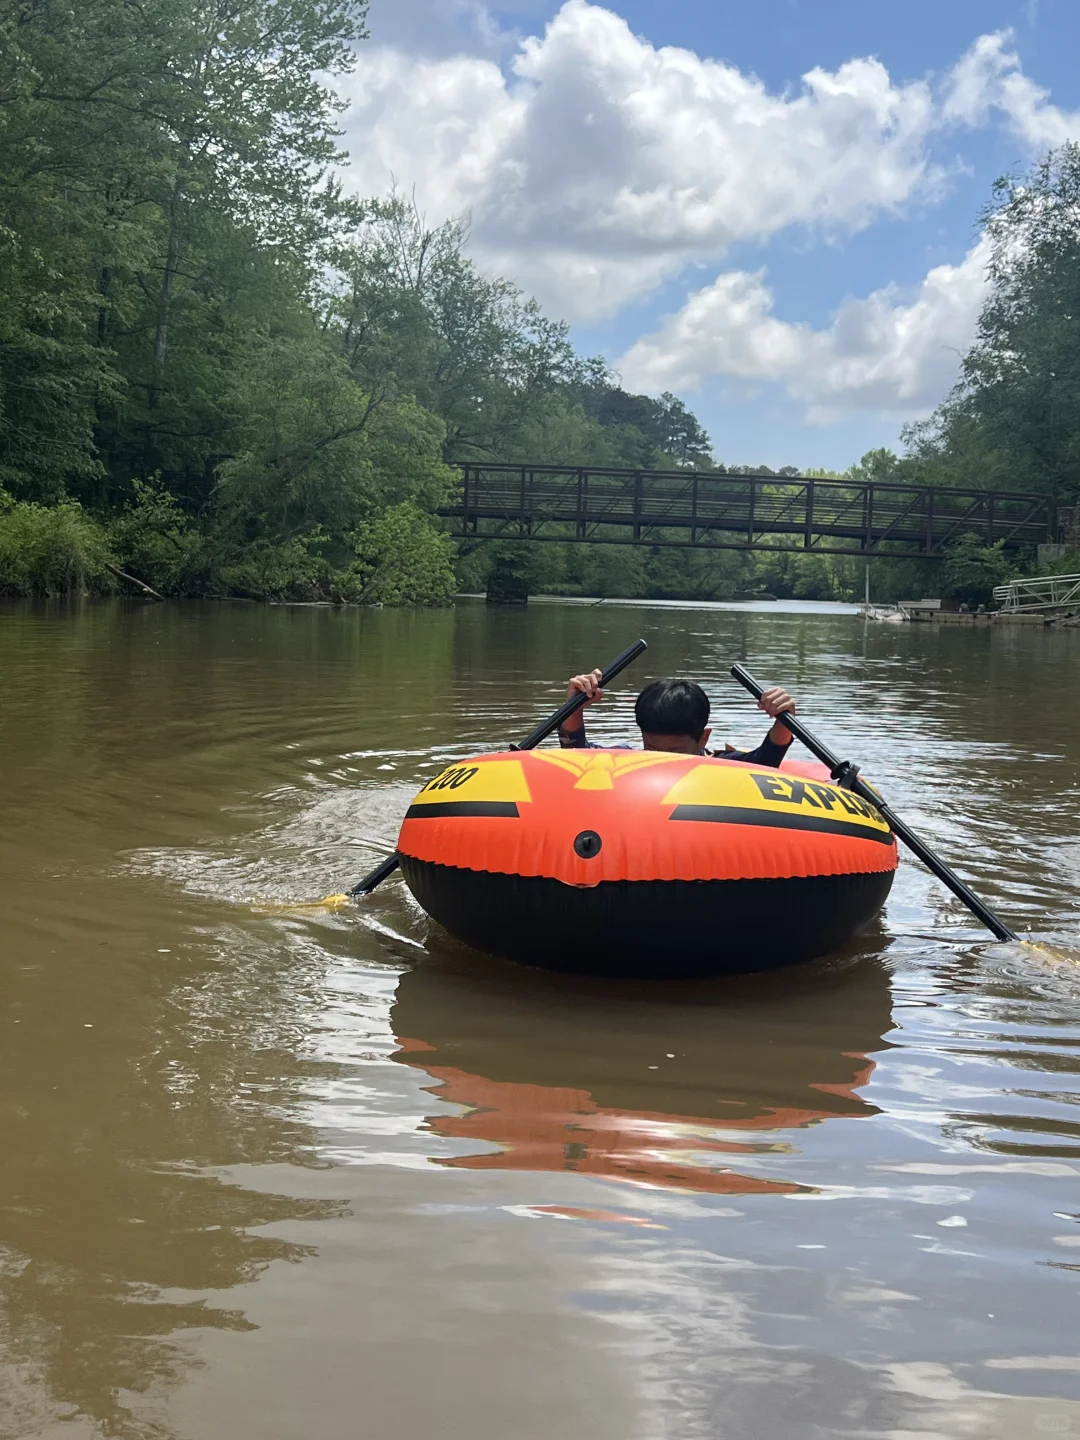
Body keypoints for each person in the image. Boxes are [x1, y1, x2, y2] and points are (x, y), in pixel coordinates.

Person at [558, 670, 796, 767]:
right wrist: (575, 705)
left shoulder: (722, 765)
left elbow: (768, 758)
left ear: (703, 739)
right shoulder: (628, 759)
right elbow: (576, 751)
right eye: (653, 749)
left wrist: (783, 716)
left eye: (677, 751)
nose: (665, 761)